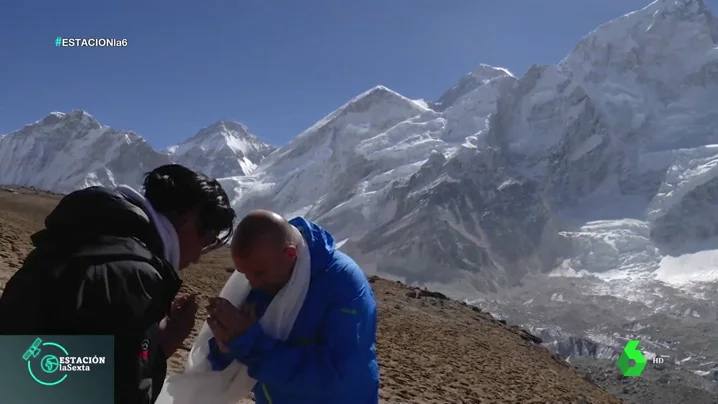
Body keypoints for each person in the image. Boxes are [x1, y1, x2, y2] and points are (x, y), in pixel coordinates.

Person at [0, 164, 236, 404]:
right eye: (203, 242)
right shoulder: (133, 275)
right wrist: (164, 346)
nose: (197, 257)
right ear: (188, 219)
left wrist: (153, 343)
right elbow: (121, 393)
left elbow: (52, 370)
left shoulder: (78, 241)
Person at [204, 210, 379, 404]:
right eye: (246, 275)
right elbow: (238, 343)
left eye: (259, 274)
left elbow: (336, 376)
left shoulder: (344, 285)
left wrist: (250, 344)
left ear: (290, 254)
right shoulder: (267, 277)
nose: (253, 283)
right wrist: (224, 347)